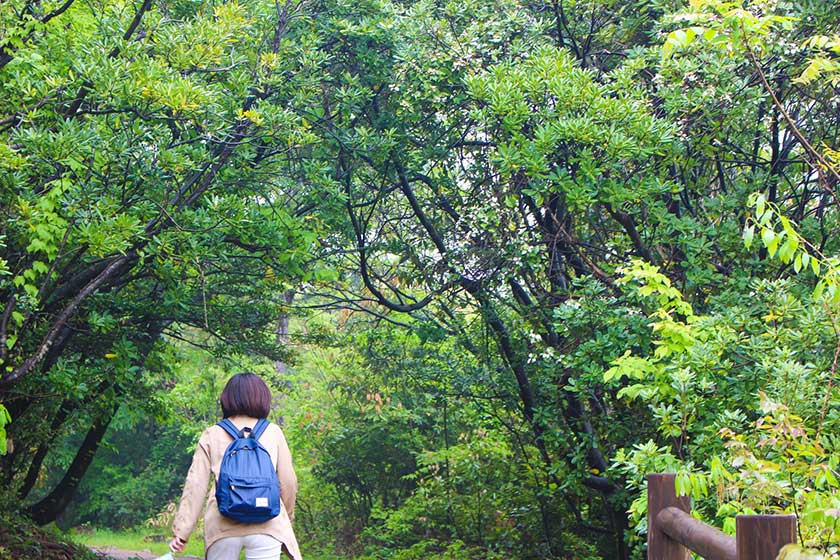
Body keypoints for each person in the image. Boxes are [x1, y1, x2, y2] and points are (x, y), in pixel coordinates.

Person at [169, 372, 301, 560]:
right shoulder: (273, 432)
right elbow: (288, 482)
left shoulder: (212, 434)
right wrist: (285, 517)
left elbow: (195, 485)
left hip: (223, 525)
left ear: (227, 399)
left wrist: (182, 531)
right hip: (268, 525)